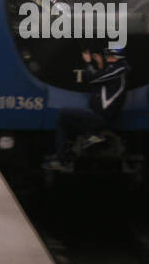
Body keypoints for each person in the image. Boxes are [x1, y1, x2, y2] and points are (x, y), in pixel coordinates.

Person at [43, 44, 132, 172]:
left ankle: (64, 158)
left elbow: (93, 78)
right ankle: (85, 139)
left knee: (63, 114)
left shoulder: (118, 70)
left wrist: (89, 62)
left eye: (109, 55)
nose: (106, 57)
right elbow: (101, 84)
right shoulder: (116, 70)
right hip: (100, 115)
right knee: (65, 121)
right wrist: (100, 65)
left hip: (101, 116)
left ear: (115, 57)